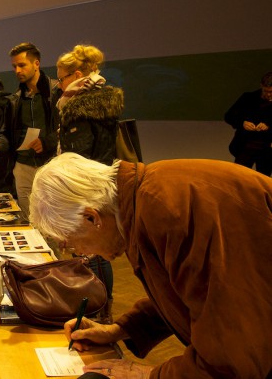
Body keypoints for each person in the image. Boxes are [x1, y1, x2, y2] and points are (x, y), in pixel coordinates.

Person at [29, 152, 272, 379]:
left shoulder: (165, 210)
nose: (82, 254)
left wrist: (146, 374)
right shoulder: (142, 202)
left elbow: (232, 357)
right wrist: (120, 329)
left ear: (92, 217)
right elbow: (190, 290)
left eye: (73, 243)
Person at [56, 44, 119, 324]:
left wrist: (67, 190)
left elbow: (77, 156)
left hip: (85, 187)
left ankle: (99, 306)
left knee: (92, 248)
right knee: (96, 247)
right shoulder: (99, 101)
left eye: (61, 78)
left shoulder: (80, 107)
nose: (59, 84)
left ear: (77, 74)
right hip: (98, 183)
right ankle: (101, 304)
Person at [0, 42, 59, 216]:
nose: (17, 70)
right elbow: (6, 133)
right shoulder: (15, 100)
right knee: (29, 217)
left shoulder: (55, 92)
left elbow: (66, 128)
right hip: (22, 166)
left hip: (50, 164)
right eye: (14, 66)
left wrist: (47, 142)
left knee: (52, 218)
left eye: (22, 65)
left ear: (36, 64)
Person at [224, 71, 272, 176]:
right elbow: (228, 116)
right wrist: (242, 123)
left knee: (264, 178)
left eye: (271, 92)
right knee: (240, 176)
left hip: (267, 147)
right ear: (261, 86)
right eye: (266, 91)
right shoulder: (248, 98)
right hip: (245, 145)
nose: (268, 94)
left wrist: (268, 125)